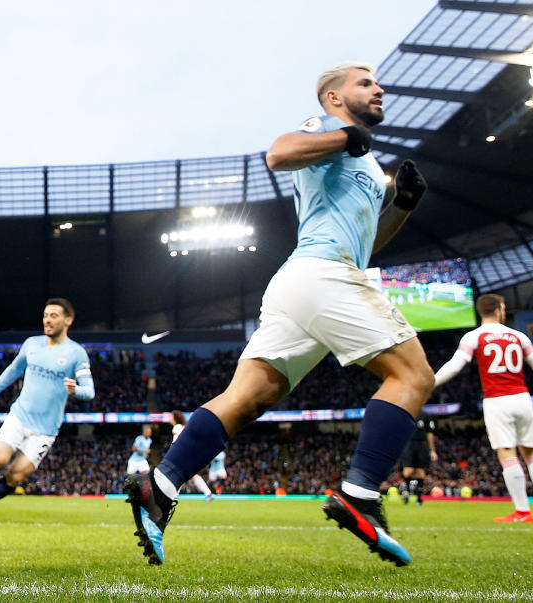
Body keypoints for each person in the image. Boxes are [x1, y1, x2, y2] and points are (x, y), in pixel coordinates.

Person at [123, 62, 432, 566]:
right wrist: (345, 137)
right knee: (414, 376)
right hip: (321, 274)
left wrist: (402, 206)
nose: (379, 88)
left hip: (306, 282)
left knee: (246, 397)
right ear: (333, 98)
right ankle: (361, 494)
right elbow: (279, 153)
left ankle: (160, 486)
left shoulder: (369, 168)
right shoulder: (327, 129)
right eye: (365, 83)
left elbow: (363, 247)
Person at [0, 298, 94, 524]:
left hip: (46, 430)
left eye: (53, 316)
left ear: (68, 320)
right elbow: (13, 370)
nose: (47, 320)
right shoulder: (32, 344)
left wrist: (76, 390)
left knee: (15, 476)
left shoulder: (76, 353)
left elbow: (89, 391)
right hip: (20, 416)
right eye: (45, 315)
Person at [433, 294, 533, 523]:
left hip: (497, 401)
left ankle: (522, 511)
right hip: (522, 398)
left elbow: (456, 365)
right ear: (498, 310)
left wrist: (431, 382)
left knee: (507, 453)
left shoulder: (474, 336)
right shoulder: (517, 336)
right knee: (532, 452)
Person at [168, 411, 214, 502]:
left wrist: (172, 452)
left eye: (170, 416)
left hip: (181, 453)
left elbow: (176, 442)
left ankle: (173, 496)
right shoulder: (183, 426)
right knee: (187, 475)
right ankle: (208, 493)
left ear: (174, 417)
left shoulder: (177, 427)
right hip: (188, 452)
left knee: (177, 474)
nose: (169, 418)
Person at [399, 411, 436, 506]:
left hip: (422, 445)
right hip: (408, 444)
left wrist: (432, 450)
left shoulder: (425, 415)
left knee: (420, 473)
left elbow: (430, 433)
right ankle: (406, 492)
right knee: (408, 472)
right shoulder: (405, 413)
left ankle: (419, 499)